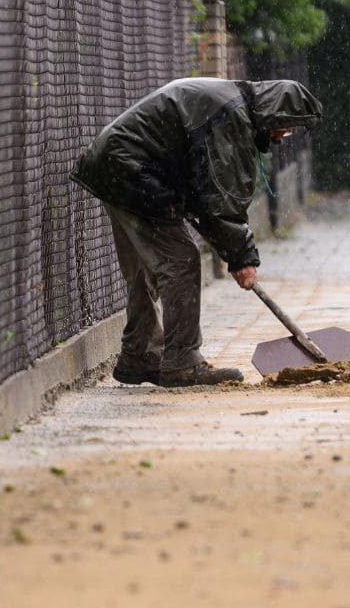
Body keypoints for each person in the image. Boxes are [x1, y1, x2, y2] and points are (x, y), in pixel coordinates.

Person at [70, 78, 322, 387]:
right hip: (133, 171)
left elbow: (206, 192)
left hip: (114, 164)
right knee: (181, 260)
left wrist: (231, 249)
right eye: (289, 125)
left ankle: (141, 355)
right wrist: (242, 257)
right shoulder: (231, 115)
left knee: (146, 266)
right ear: (276, 113)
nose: (285, 136)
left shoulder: (231, 103)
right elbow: (221, 200)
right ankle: (182, 362)